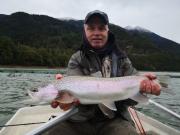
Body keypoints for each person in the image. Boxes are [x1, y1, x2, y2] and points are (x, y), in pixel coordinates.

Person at [49, 10, 161, 135]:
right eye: (91, 28)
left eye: (101, 28)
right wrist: (65, 102)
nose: (96, 33)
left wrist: (143, 89)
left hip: (114, 120)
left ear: (107, 30)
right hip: (79, 119)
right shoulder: (76, 59)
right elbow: (68, 101)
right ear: (85, 31)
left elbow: (131, 101)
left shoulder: (122, 59)